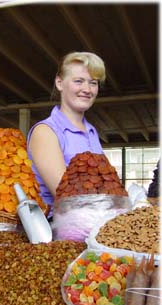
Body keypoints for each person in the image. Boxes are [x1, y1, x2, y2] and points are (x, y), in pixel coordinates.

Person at [27, 51, 106, 217]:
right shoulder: (46, 131)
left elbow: (105, 183)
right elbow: (67, 197)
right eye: (78, 81)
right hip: (57, 231)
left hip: (94, 223)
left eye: (93, 83)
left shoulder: (91, 132)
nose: (87, 89)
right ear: (59, 83)